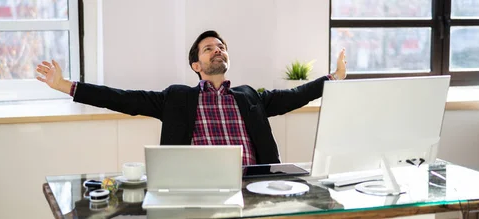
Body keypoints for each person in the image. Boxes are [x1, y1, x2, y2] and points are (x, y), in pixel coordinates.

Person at [35, 30, 347, 166]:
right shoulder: (177, 98)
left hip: (253, 185)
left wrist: (332, 78)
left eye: (221, 46)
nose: (218, 49)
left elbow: (295, 95)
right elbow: (124, 99)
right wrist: (65, 85)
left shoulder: (248, 96)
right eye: (209, 47)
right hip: (199, 187)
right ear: (196, 65)